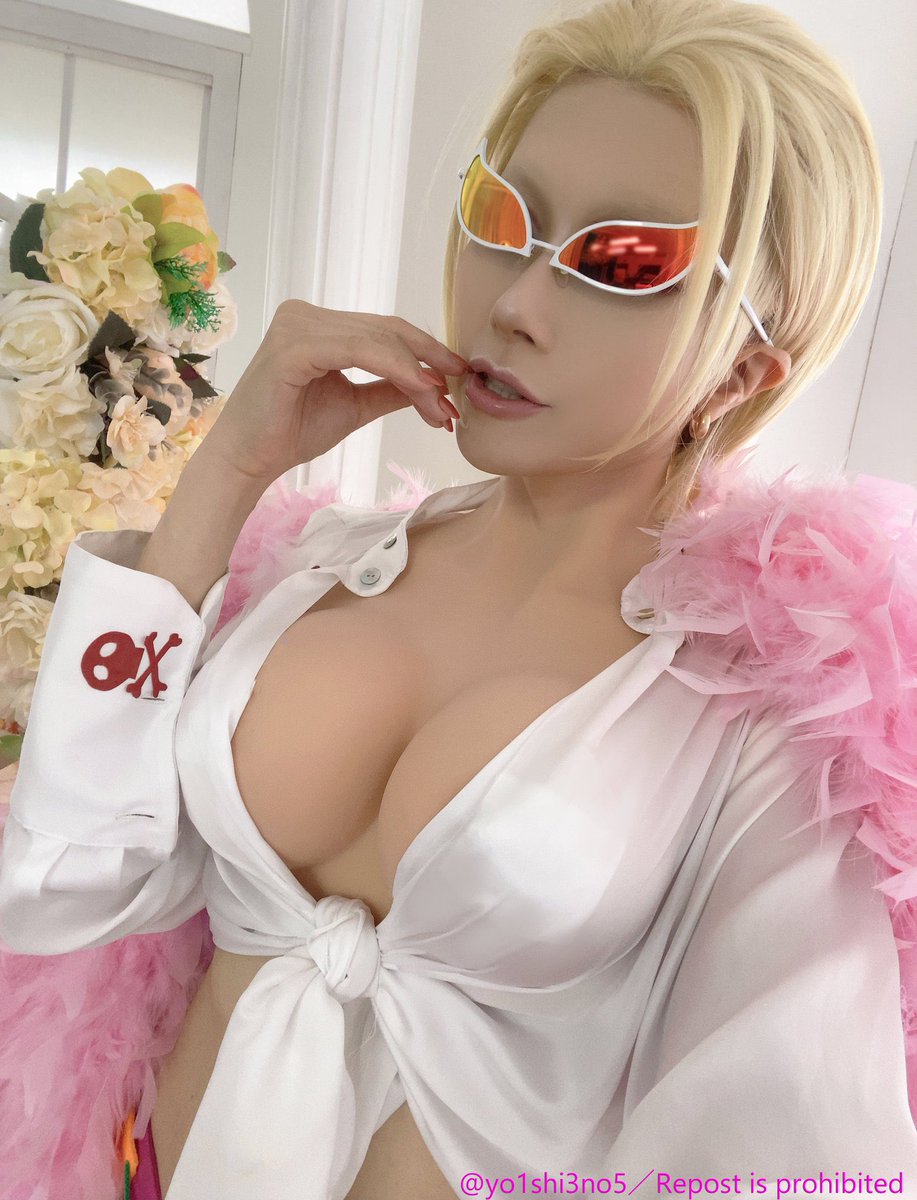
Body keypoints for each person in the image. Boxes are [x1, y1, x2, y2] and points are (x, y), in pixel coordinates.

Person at [0, 0, 915, 1197]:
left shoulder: (766, 714)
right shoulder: (311, 569)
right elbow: (60, 886)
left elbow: (779, 1156)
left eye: (621, 263)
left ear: (741, 368)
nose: (513, 302)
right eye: (502, 215)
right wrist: (225, 474)